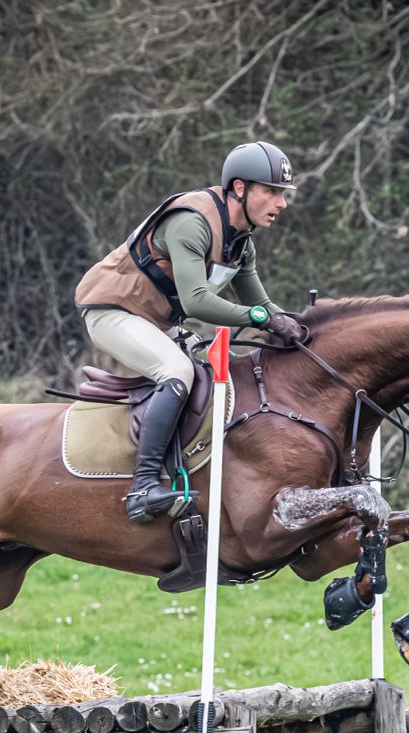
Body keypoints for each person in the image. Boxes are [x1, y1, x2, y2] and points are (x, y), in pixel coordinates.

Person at [75, 141, 305, 523]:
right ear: (240, 188)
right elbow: (198, 302)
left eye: (283, 194)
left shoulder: (240, 242)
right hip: (111, 311)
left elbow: (260, 303)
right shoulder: (192, 221)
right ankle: (143, 486)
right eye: (272, 192)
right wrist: (262, 319)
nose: (281, 204)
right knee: (177, 372)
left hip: (152, 321)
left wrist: (300, 330)